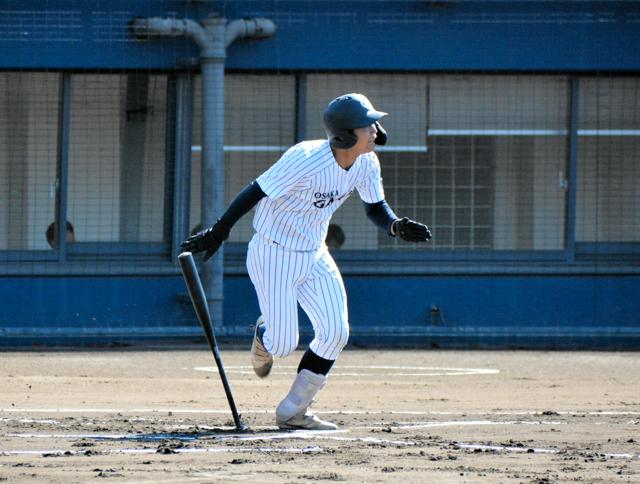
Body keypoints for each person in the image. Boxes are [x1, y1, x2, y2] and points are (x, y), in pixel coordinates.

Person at [181, 93, 431, 430]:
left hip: (315, 253)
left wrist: (395, 225)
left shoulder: (367, 162)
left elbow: (374, 206)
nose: (374, 129)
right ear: (344, 134)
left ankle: (293, 411)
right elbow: (255, 190)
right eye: (366, 124)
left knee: (335, 332)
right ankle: (264, 332)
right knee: (283, 345)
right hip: (273, 252)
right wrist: (219, 231)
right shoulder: (305, 158)